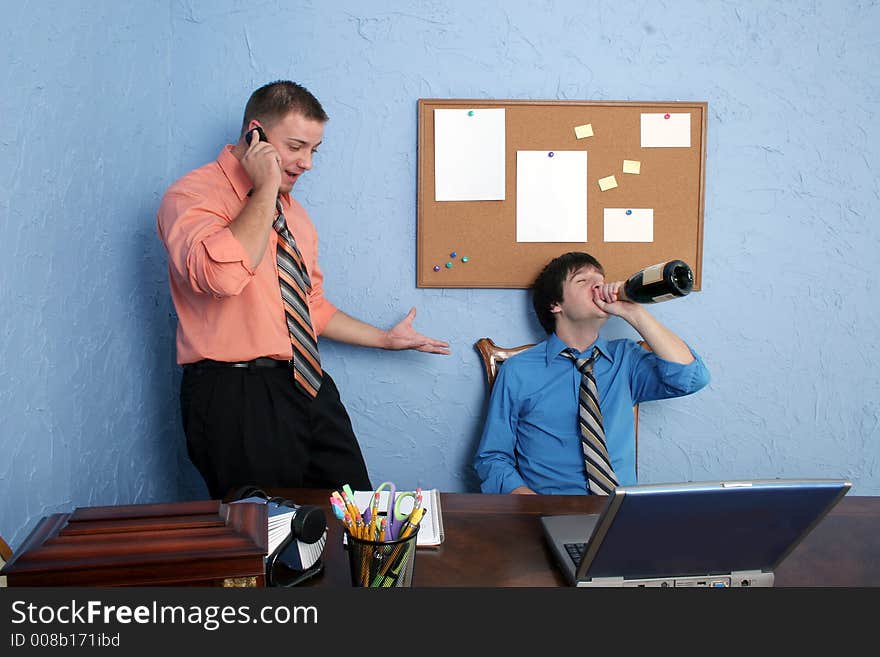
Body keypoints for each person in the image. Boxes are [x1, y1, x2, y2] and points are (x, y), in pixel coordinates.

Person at [157, 80, 449, 499]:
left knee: (356, 514)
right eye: (296, 147)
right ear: (254, 134)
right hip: (235, 394)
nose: (307, 163)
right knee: (268, 537)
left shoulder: (296, 216)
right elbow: (222, 278)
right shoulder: (191, 197)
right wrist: (264, 189)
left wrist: (384, 340)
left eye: (314, 150)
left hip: (307, 384)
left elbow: (307, 306)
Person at [473, 251, 709, 495]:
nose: (598, 285)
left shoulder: (626, 360)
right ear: (555, 304)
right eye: (582, 281)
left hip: (620, 513)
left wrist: (634, 312)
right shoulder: (518, 371)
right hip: (548, 511)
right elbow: (492, 458)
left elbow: (691, 378)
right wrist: (533, 509)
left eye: (600, 279)